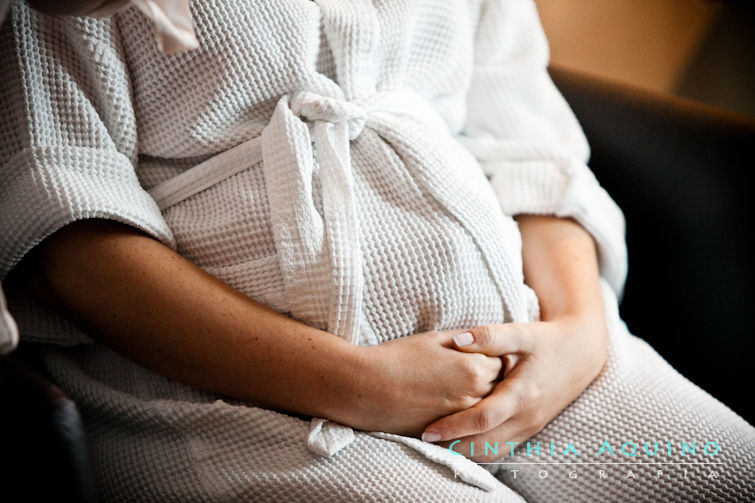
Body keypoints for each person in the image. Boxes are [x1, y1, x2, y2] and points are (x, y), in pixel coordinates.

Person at [1, 0, 752, 501]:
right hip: (237, 410)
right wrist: (357, 383)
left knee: (719, 474)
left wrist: (579, 336)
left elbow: (525, 140)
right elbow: (66, 233)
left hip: (530, 363)